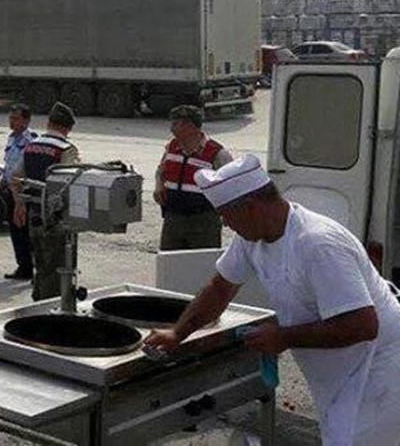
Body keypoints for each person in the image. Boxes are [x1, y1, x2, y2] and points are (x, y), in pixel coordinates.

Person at [145, 154, 400, 445]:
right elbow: (220, 287)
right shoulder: (252, 238)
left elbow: (363, 326)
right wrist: (178, 333)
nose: (226, 225)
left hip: (381, 369)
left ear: (251, 207)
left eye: (226, 216)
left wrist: (283, 336)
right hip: (343, 372)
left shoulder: (317, 244)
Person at [11, 102, 79, 301]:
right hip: (56, 221)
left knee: (40, 266)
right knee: (58, 270)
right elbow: (70, 186)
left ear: (49, 122)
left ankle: (37, 304)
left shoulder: (32, 146)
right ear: (67, 128)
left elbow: (15, 178)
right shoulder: (66, 149)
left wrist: (19, 204)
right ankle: (49, 313)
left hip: (34, 216)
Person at [154, 105, 232, 250]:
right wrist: (159, 186)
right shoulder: (171, 147)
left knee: (201, 266)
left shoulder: (216, 153)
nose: (171, 129)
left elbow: (231, 185)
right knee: (170, 264)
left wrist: (229, 213)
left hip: (204, 221)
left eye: (175, 124)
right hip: (173, 218)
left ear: (189, 126)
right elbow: (161, 171)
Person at [1, 103, 36, 280]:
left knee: (26, 232)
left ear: (26, 121)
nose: (12, 121)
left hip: (23, 193)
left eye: (16, 118)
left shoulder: (31, 142)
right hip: (9, 191)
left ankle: (32, 267)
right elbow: (9, 163)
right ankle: (23, 266)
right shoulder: (11, 138)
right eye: (11, 118)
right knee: (15, 231)